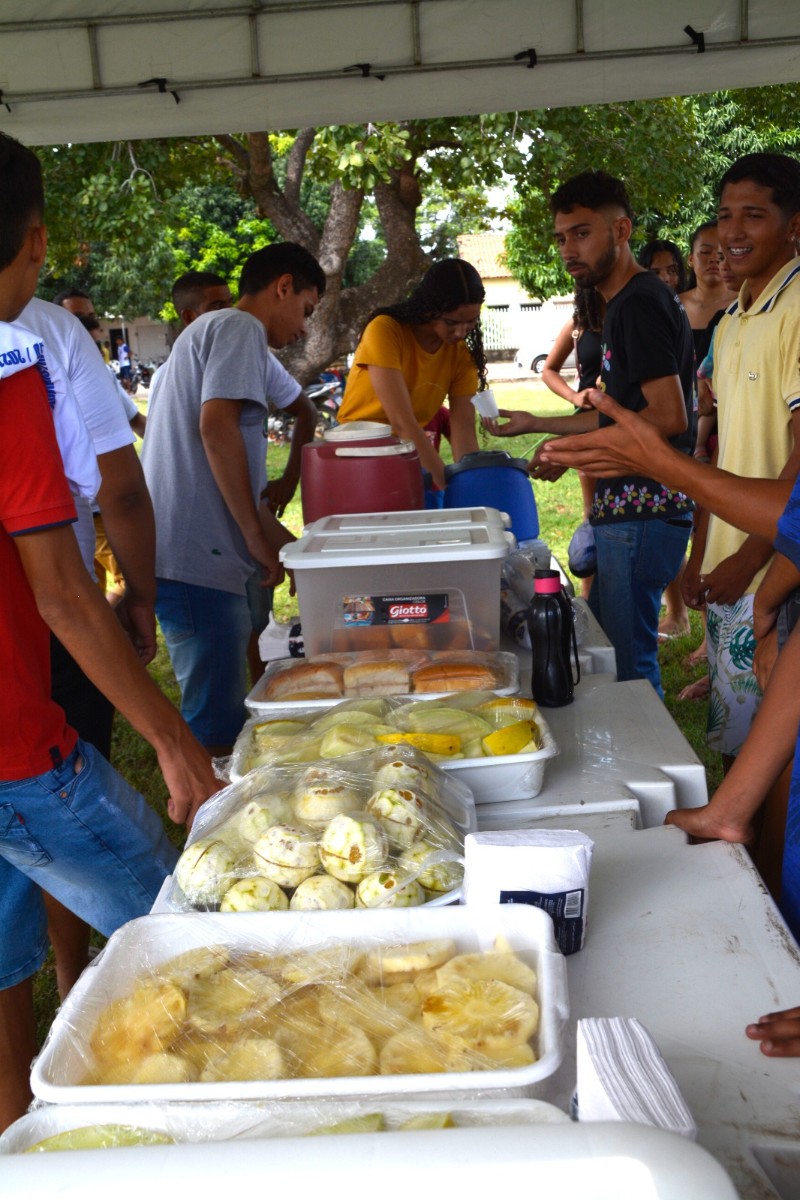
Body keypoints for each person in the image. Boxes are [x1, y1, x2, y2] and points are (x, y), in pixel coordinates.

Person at [0, 131, 219, 1131]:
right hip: (18, 750)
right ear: (34, 242)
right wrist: (175, 745)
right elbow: (64, 597)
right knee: (197, 939)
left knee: (5, 963)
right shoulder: (13, 370)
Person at [485, 170, 695, 698]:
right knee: (608, 654)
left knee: (629, 668)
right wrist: (542, 425)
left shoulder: (639, 303)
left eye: (582, 233)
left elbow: (669, 417)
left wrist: (577, 450)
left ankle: (654, 772)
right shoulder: (622, 303)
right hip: (628, 509)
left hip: (644, 507)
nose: (568, 249)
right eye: (561, 238)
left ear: (621, 230)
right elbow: (621, 414)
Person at [140, 243, 321, 754]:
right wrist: (254, 537)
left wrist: (280, 538)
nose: (305, 328)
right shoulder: (239, 328)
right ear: (282, 286)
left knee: (223, 706)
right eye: (306, 310)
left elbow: (224, 460)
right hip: (196, 557)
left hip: (196, 552)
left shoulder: (212, 332)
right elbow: (215, 428)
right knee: (216, 724)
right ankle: (208, 819)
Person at [681, 154, 800, 773]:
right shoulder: (731, 321)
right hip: (732, 570)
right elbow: (724, 452)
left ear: (794, 225)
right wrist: (700, 554)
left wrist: (752, 555)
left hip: (781, 572)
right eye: (726, 216)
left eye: (754, 215)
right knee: (737, 759)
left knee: (775, 772)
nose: (733, 232)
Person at [337, 257, 485, 490]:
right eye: (451, 322)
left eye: (471, 322)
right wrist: (448, 486)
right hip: (358, 451)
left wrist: (470, 485)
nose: (461, 332)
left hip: (407, 452)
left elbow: (464, 430)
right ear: (430, 309)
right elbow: (403, 422)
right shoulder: (385, 330)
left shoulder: (461, 355)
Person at [540, 286, 604, 599]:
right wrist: (573, 395)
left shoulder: (633, 316)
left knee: (643, 517)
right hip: (588, 427)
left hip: (629, 428)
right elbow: (548, 369)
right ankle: (590, 604)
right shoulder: (579, 324)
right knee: (592, 518)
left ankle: (676, 614)